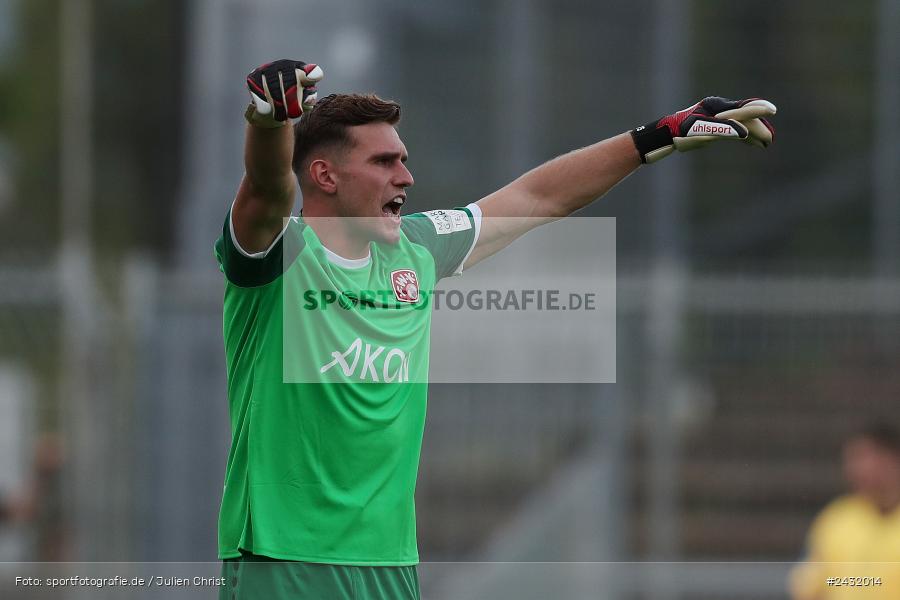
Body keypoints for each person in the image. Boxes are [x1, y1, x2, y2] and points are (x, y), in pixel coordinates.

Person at [214, 58, 777, 599]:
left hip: (388, 563)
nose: (406, 176)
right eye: (384, 162)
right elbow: (265, 191)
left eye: (404, 159)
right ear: (324, 175)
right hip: (282, 559)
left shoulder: (417, 247)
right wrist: (269, 122)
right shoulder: (277, 255)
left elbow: (537, 196)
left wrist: (656, 136)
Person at [790, 423, 900, 600]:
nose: (856, 469)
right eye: (852, 461)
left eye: (865, 458)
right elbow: (810, 586)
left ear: (892, 459)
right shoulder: (836, 520)